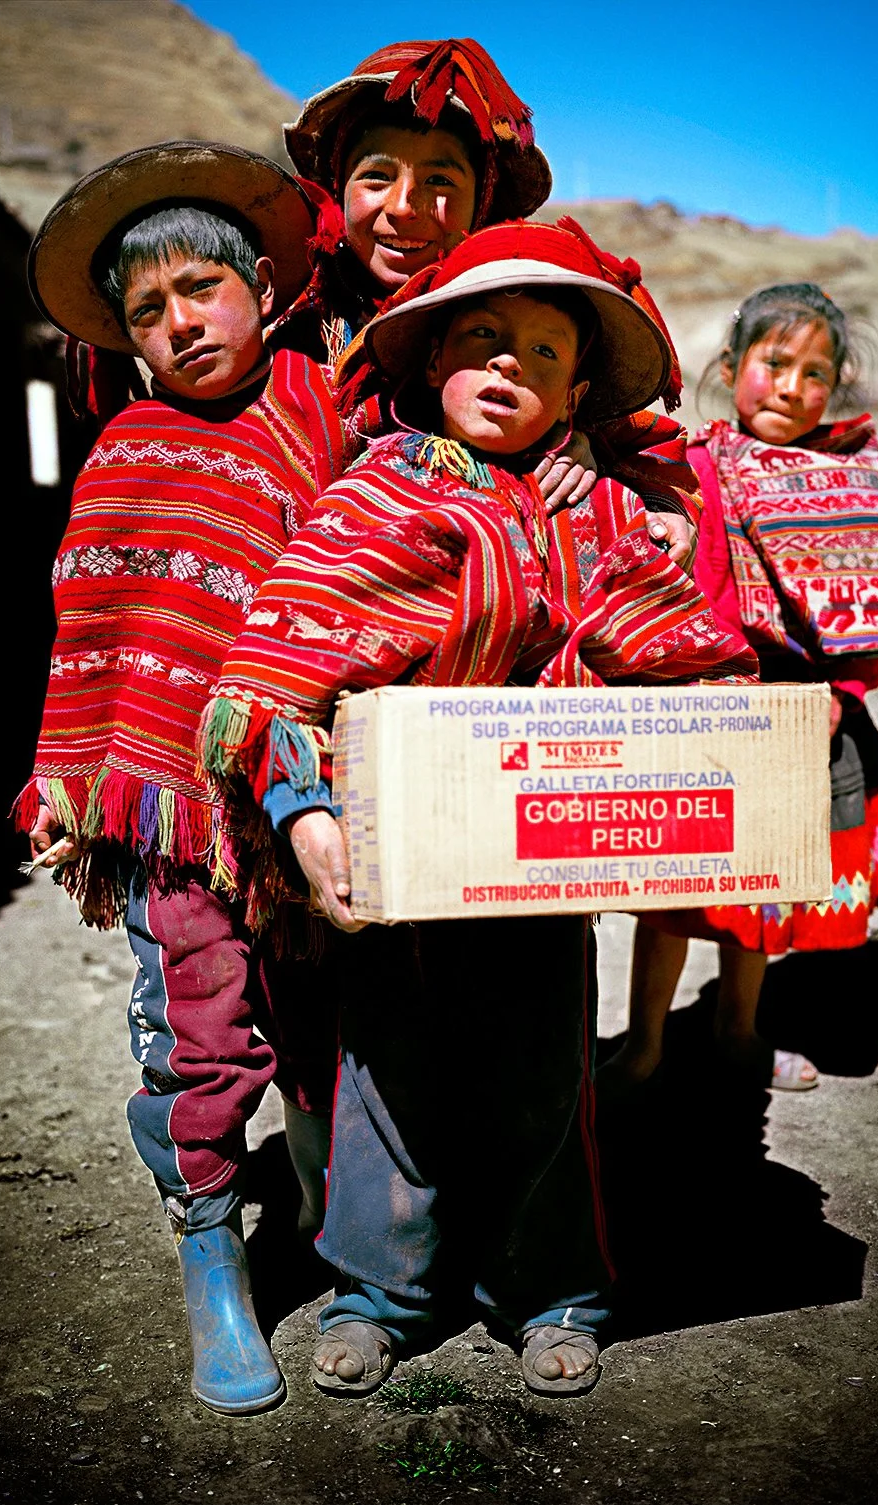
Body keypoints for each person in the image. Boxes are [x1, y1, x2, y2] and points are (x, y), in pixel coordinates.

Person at [202, 220, 755, 1399]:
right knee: (387, 1077)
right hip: (394, 867)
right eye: (483, 340)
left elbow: (689, 664)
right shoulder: (372, 498)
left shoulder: (595, 514)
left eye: (544, 354)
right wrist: (308, 821)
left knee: (545, 1076)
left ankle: (548, 1286)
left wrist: (715, 743)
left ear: (577, 391)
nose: (510, 367)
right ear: (429, 362)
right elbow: (272, 678)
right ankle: (381, 1291)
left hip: (545, 870)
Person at [13, 142, 355, 1415]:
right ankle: (212, 1250)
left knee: (327, 1014)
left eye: (201, 288)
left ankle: (334, 1211)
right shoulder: (126, 452)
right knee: (203, 1028)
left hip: (319, 794)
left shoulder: (331, 413)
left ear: (263, 287)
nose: (181, 322)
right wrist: (74, 782)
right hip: (177, 817)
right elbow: (97, 636)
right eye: (149, 312)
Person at [612, 283, 878, 1094]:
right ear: (732, 366)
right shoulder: (695, 466)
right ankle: (644, 1044)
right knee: (671, 892)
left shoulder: (849, 479)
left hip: (799, 712)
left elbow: (866, 601)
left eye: (817, 374)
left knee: (758, 882)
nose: (792, 386)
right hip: (700, 703)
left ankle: (738, 1028)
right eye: (775, 363)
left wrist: (841, 693)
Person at [271, 36, 700, 563]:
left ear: (485, 203)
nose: (405, 207)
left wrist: (588, 452)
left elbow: (652, 460)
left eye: (440, 180)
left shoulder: (534, 324)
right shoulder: (280, 331)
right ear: (339, 188)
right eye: (378, 176)